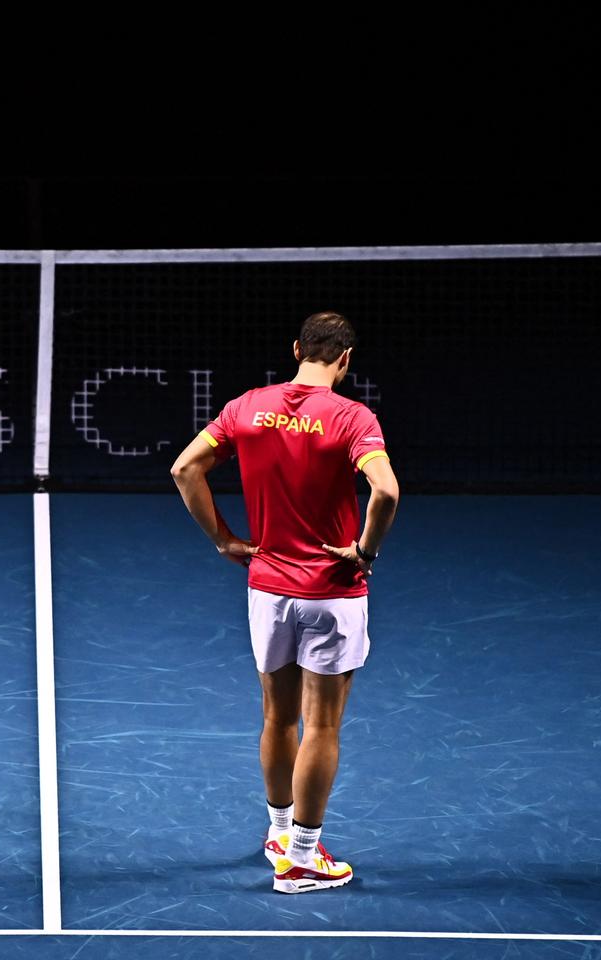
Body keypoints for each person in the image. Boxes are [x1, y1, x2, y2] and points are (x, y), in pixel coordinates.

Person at [169, 311, 400, 894]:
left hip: (267, 587)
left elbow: (184, 468)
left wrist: (224, 537)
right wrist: (364, 550)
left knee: (277, 715)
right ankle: (300, 857)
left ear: (296, 348)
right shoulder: (352, 417)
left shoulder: (247, 406)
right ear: (345, 360)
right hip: (332, 592)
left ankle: (277, 832)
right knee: (322, 724)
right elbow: (386, 491)